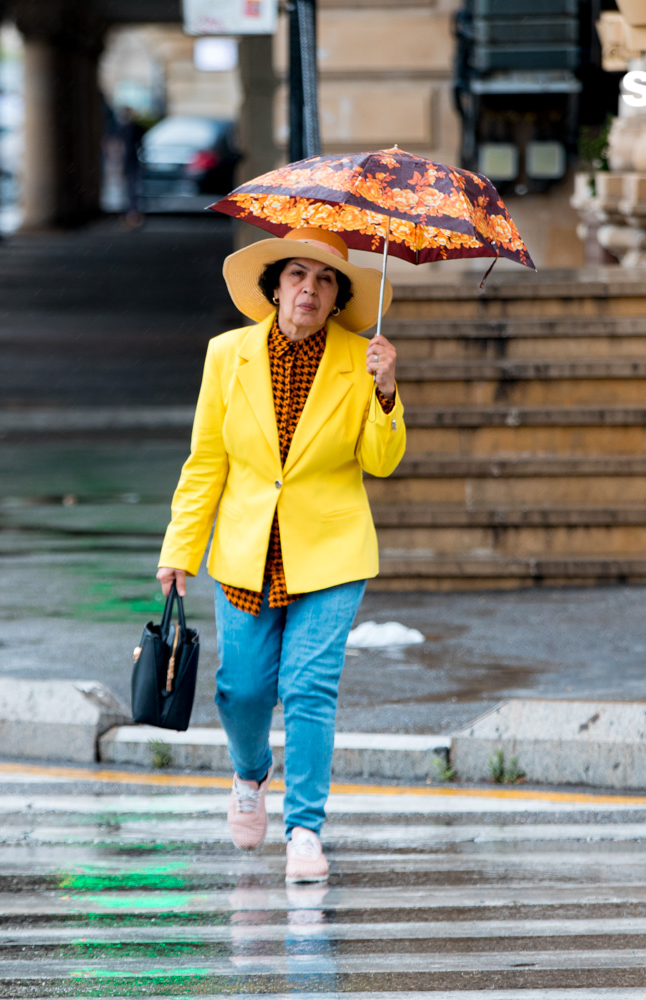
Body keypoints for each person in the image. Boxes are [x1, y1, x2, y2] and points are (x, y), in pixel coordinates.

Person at [156, 227, 405, 882]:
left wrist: (386, 392)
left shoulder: (363, 358)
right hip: (245, 550)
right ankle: (249, 773)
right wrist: (179, 550)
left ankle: (304, 830)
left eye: (325, 281)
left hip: (331, 552)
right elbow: (206, 461)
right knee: (240, 692)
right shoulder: (226, 356)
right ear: (274, 286)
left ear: (338, 296)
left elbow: (381, 461)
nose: (310, 289)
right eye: (298, 275)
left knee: (307, 688)